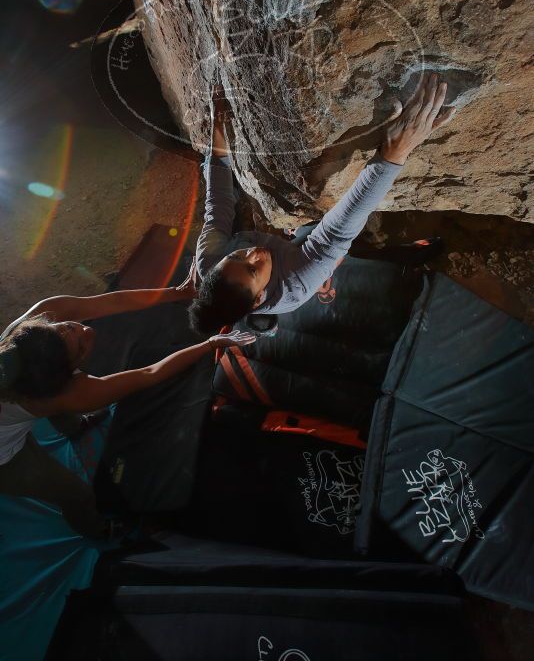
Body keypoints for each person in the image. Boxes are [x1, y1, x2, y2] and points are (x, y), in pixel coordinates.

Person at [188, 72, 456, 334]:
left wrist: (218, 123)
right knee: (351, 255)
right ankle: (413, 253)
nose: (253, 252)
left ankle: (294, 243)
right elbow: (336, 233)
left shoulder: (210, 257)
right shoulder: (296, 284)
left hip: (290, 252)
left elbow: (218, 200)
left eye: (237, 254)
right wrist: (394, 153)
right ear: (258, 299)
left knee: (307, 232)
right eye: (252, 268)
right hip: (302, 263)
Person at [0, 285, 255, 540]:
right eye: (80, 348)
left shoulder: (34, 325)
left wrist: (177, 292)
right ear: (63, 377)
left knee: (55, 408)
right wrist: (208, 345)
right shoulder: (73, 394)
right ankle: (98, 530)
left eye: (68, 327)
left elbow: (112, 301)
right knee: (74, 493)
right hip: (5, 457)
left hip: (24, 407)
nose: (85, 329)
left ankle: (74, 426)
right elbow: (150, 374)